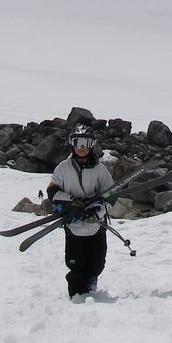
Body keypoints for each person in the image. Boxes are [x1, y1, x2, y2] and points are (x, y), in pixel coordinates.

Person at [47, 123, 114, 299]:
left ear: (92, 145)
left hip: (96, 225)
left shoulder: (100, 170)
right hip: (74, 225)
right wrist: (72, 203)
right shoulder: (63, 168)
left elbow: (111, 195)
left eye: (86, 143)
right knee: (75, 264)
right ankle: (76, 298)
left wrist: (97, 211)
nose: (82, 147)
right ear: (72, 144)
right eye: (78, 142)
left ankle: (91, 283)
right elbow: (52, 191)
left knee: (97, 265)